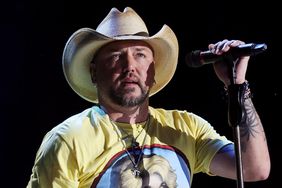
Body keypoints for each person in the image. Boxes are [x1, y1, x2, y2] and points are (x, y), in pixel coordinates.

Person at [27, 7, 270, 188]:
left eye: (140, 55)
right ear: (94, 72)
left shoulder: (185, 128)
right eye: (115, 56)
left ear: (153, 70)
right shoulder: (68, 140)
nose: (129, 66)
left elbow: (254, 168)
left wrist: (236, 85)